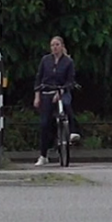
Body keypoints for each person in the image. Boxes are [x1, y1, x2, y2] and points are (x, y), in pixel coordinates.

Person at [34, 35, 77, 166]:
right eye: (52, 45)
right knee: (45, 124)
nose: (55, 47)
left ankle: (73, 132)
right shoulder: (45, 60)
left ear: (62, 46)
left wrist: (61, 91)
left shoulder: (68, 62)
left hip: (62, 91)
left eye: (57, 45)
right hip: (47, 92)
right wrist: (37, 95)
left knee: (66, 105)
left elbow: (70, 80)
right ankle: (43, 155)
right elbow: (39, 78)